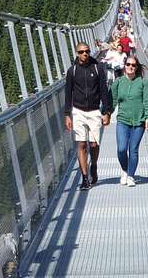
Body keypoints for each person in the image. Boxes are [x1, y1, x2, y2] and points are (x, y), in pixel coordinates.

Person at [65, 42, 112, 190]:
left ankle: (94, 166)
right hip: (78, 111)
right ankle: (85, 178)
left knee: (93, 143)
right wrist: (67, 115)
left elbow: (104, 92)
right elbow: (67, 95)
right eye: (81, 52)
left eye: (86, 51)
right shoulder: (72, 71)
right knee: (81, 144)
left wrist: (106, 112)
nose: (84, 54)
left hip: (94, 111)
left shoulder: (97, 69)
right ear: (76, 53)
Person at [110, 56, 148, 187]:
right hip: (123, 119)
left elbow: (147, 101)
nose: (130, 67)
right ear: (124, 65)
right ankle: (124, 169)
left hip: (138, 121)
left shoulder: (142, 82)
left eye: (133, 65)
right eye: (128, 64)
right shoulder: (118, 82)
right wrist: (106, 114)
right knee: (121, 149)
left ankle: (130, 176)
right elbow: (112, 99)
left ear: (136, 67)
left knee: (133, 149)